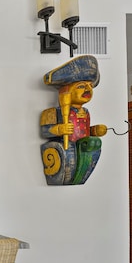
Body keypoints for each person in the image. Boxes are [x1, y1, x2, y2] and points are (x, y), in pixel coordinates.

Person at [40, 55, 107, 185]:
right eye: (81, 86)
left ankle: (80, 177)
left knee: (95, 144)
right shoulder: (52, 112)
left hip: (82, 145)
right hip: (65, 147)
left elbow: (85, 131)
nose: (88, 89)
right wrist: (59, 129)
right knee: (68, 154)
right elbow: (44, 131)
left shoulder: (86, 112)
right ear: (66, 92)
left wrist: (95, 130)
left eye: (90, 86)